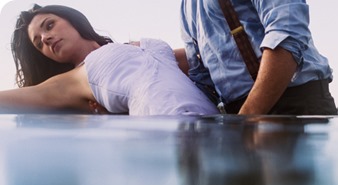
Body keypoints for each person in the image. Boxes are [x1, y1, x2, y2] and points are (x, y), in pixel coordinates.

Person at [1, 4, 219, 116]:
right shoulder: (72, 80)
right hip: (170, 133)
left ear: (73, 20)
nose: (46, 38)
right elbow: (19, 97)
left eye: (49, 25)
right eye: (39, 44)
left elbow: (205, 57)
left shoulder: (139, 48)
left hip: (216, 127)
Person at [180, 0, 337, 115]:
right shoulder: (186, 6)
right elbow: (201, 76)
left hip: (293, 100)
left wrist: (248, 115)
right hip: (239, 113)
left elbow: (286, 33)